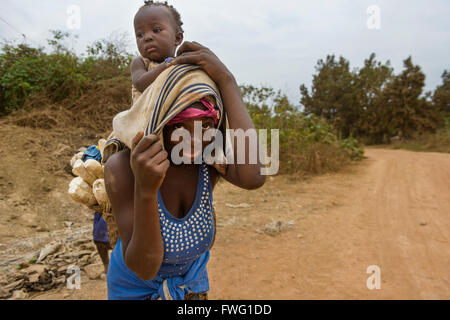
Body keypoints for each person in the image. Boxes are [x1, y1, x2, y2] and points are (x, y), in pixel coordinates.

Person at [103, 1, 266, 300]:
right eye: (182, 123)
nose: (196, 137)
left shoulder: (206, 159)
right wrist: (146, 190)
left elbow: (254, 177)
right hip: (134, 291)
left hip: (192, 287)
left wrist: (227, 81)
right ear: (160, 118)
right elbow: (145, 267)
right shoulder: (124, 167)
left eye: (207, 123)